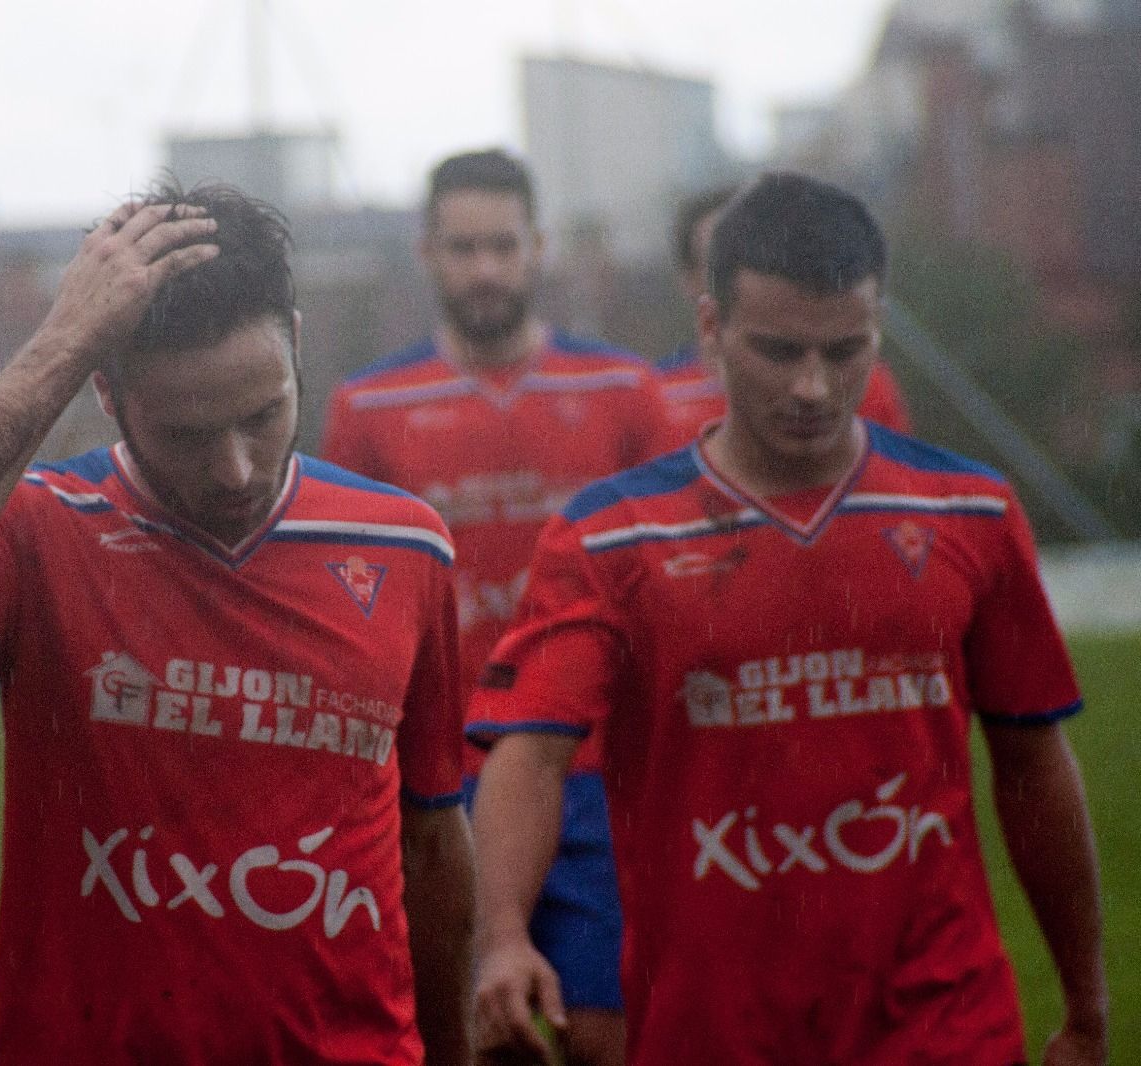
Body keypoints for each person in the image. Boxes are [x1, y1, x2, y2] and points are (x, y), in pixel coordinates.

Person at [0, 180, 474, 1065]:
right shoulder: (47, 529)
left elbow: (433, 843)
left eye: (263, 414)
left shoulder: (404, 548)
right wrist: (59, 340)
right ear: (107, 393)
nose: (237, 468)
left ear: (298, 350)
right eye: (189, 434)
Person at [468, 172, 1107, 1064]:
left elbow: (1035, 760)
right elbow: (531, 757)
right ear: (710, 330)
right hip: (716, 1031)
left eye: (846, 350)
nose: (813, 386)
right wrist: (501, 935)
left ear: (878, 327)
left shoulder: (970, 516)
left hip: (942, 1020)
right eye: (778, 350)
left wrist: (1085, 1000)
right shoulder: (611, 541)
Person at [324, 148, 669, 1066]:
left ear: (538, 249)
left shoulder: (624, 394)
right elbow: (344, 607)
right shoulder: (367, 410)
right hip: (437, 778)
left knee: (609, 1033)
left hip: (596, 768)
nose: (485, 268)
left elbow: (668, 584)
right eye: (464, 247)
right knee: (471, 1035)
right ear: (428, 253)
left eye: (503, 246)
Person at [656, 183, 911, 442]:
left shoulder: (865, 384)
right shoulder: (656, 398)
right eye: (717, 263)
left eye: (753, 257)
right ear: (687, 279)